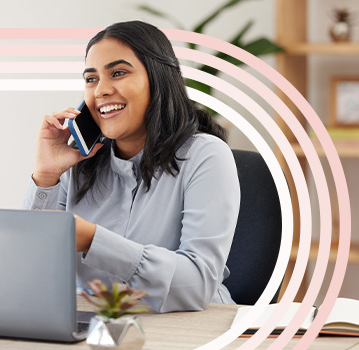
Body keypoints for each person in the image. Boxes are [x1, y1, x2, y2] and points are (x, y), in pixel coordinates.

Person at [22, 20, 240, 313]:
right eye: (91, 79)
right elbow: (28, 269)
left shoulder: (206, 156)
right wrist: (46, 177)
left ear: (158, 78)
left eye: (119, 73)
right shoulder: (76, 163)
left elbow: (198, 284)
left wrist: (93, 240)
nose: (101, 90)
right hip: (99, 325)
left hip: (187, 327)